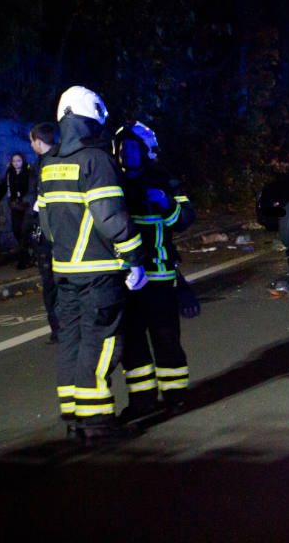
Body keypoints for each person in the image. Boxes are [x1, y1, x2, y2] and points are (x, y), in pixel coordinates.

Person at [36, 86, 147, 445]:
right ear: (93, 119)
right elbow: (110, 217)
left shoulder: (48, 163)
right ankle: (98, 425)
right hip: (98, 273)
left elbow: (47, 226)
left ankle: (74, 419)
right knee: (99, 345)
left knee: (71, 341)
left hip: (64, 271)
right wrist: (134, 259)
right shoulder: (95, 161)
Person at [113, 122, 197, 422]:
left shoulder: (162, 178)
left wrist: (166, 205)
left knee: (165, 338)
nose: (127, 152)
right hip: (125, 278)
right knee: (132, 343)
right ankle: (141, 401)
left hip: (159, 275)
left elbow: (185, 218)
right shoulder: (112, 181)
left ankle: (175, 396)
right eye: (123, 148)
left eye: (133, 147)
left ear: (144, 151)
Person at [28, 122, 60, 341]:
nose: (31, 145)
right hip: (52, 233)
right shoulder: (43, 163)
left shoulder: (49, 165)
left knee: (53, 283)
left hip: (54, 235)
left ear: (38, 141)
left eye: (31, 141)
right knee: (52, 282)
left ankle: (61, 329)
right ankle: (60, 329)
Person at [0, 152, 33, 267]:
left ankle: (26, 257)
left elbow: (31, 187)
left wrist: (25, 198)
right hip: (15, 205)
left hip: (27, 205)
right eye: (14, 161)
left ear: (23, 161)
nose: (16, 163)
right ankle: (26, 251)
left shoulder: (28, 172)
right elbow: (4, 187)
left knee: (26, 231)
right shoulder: (10, 173)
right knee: (16, 230)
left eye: (18, 161)